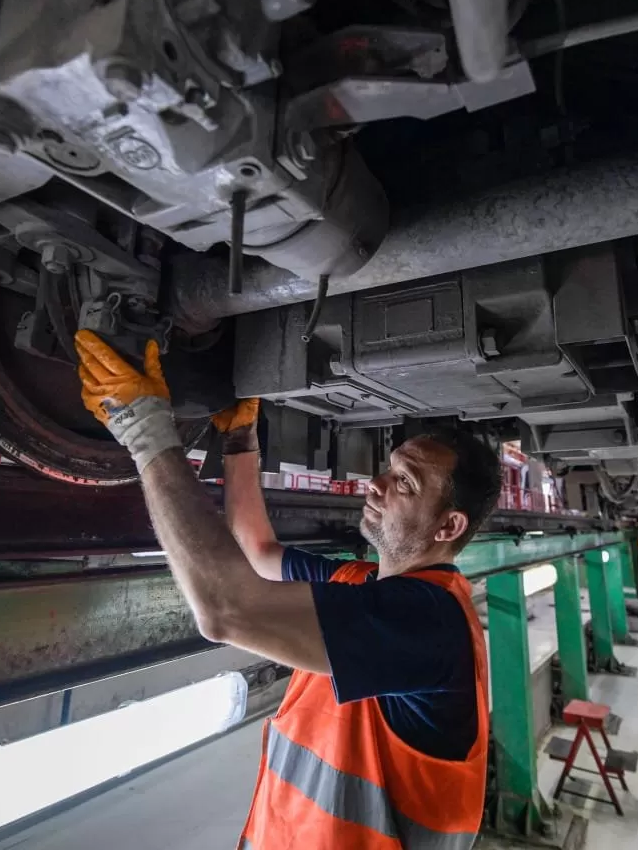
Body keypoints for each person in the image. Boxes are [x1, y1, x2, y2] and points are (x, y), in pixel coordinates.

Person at [74, 331, 502, 850]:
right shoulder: (360, 585)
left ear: (448, 527)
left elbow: (227, 609)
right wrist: (238, 442)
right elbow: (256, 552)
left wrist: (145, 434)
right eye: (388, 470)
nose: (376, 485)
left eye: (404, 483)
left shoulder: (429, 622)